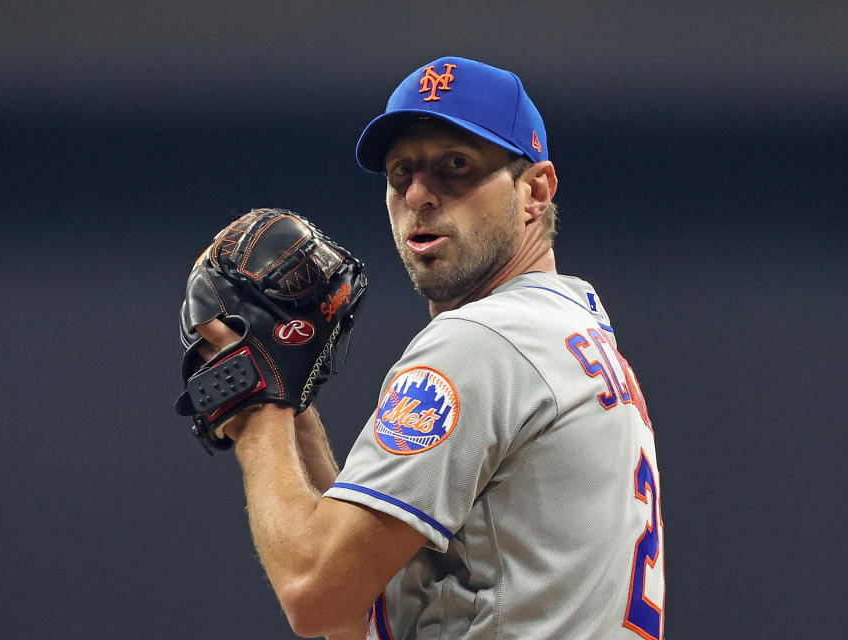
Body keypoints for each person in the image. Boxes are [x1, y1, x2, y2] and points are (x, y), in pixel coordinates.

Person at [193, 56, 665, 640]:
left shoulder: (484, 342)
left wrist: (256, 408)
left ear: (535, 191)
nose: (419, 193)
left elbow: (313, 594)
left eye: (456, 166)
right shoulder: (568, 333)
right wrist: (293, 410)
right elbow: (355, 608)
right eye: (401, 173)